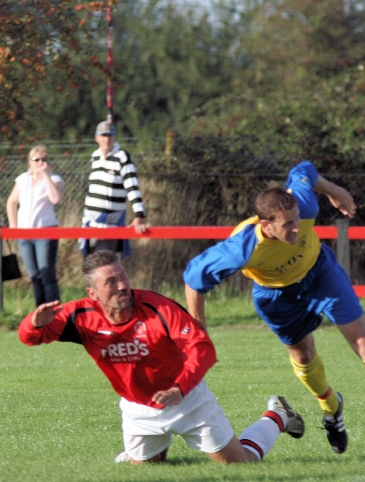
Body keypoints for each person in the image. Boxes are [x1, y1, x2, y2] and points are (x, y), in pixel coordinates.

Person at [183, 161, 365, 455]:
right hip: (276, 296)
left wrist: (334, 191)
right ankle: (331, 408)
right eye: (287, 225)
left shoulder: (304, 205)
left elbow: (304, 170)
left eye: (297, 219)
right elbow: (194, 280)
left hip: (320, 273)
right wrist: (199, 332)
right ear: (265, 225)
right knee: (303, 354)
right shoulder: (242, 248)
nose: (297, 228)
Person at [18, 250, 304, 465]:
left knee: (240, 464)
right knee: (147, 470)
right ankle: (142, 450)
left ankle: (278, 415)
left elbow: (202, 348)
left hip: (187, 401)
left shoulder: (157, 308)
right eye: (111, 281)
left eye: (123, 277)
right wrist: (35, 322)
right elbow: (30, 338)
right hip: (139, 409)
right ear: (92, 293)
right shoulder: (79, 315)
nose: (122, 286)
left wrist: (180, 388)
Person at [6, 144, 64, 306]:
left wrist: (45, 175)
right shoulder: (23, 179)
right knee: (34, 276)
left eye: (44, 159)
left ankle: (54, 312)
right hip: (25, 234)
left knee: (47, 274)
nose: (40, 162)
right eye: (36, 159)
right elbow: (11, 202)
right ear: (30, 161)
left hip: (45, 232)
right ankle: (40, 312)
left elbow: (55, 199)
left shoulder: (54, 179)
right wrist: (13, 226)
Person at [80, 120, 147, 257]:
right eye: (103, 136)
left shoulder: (122, 157)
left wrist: (139, 216)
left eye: (110, 136)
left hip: (110, 224)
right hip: (90, 223)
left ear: (115, 137)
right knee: (89, 267)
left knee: (102, 264)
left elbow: (132, 187)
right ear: (96, 138)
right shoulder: (95, 156)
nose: (106, 140)